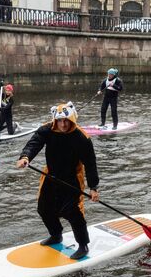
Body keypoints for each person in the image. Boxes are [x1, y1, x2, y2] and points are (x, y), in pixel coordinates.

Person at [16, 102, 100, 260]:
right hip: (51, 175)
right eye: (60, 121)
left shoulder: (82, 138)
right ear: (55, 120)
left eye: (66, 121)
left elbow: (90, 163)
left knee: (72, 211)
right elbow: (34, 143)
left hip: (72, 177)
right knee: (43, 208)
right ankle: (56, 235)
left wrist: (93, 187)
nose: (63, 124)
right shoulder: (46, 129)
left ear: (72, 120)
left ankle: (83, 245)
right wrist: (25, 157)